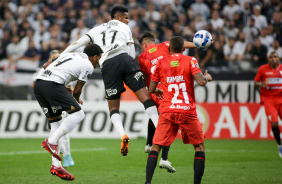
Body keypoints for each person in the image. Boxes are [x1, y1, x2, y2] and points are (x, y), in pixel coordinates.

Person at [61, 6, 160, 156]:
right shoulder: (124, 27)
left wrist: (60, 57)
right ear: (119, 17)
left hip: (108, 65)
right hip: (125, 59)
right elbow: (131, 50)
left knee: (113, 107)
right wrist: (132, 67)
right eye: (126, 17)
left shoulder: (96, 29)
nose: (128, 20)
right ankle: (160, 130)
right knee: (145, 98)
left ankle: (122, 134)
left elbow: (77, 44)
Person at [145, 36, 212, 184]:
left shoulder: (161, 62)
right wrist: (207, 77)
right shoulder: (190, 60)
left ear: (169, 49)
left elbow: (151, 88)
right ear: (183, 48)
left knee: (156, 146)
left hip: (167, 110)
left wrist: (157, 91)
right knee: (199, 146)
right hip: (187, 111)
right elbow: (201, 82)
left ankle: (147, 182)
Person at [34, 44, 103, 180]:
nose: (98, 63)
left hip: (39, 84)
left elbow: (47, 66)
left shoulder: (71, 55)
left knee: (55, 124)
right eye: (99, 59)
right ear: (94, 57)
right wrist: (75, 100)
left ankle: (57, 165)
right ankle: (51, 141)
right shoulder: (88, 64)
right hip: (52, 85)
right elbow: (77, 90)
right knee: (79, 113)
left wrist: (67, 92)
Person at [138, 31, 196, 173]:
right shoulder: (164, 45)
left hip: (154, 90)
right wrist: (197, 44)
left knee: (156, 116)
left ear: (144, 44)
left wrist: (150, 90)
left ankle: (148, 144)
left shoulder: (141, 57)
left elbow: (145, 76)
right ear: (153, 41)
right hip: (167, 89)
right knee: (168, 122)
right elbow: (182, 43)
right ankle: (163, 158)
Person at [254, 51, 282, 158]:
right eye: (271, 57)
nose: (273, 58)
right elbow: (255, 82)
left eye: (275, 56)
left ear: (278, 58)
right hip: (269, 100)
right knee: (274, 124)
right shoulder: (262, 69)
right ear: (268, 59)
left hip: (281, 98)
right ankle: (280, 145)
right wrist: (261, 83)